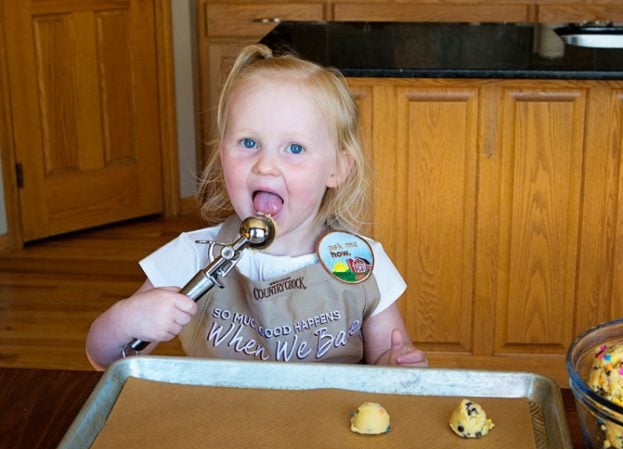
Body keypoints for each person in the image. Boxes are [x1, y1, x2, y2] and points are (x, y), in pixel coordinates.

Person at [85, 44, 427, 371]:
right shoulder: (191, 256)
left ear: (337, 168)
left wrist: (395, 363)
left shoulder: (361, 262)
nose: (265, 166)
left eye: (294, 149)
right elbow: (104, 359)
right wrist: (124, 320)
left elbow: (386, 361)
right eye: (248, 143)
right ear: (222, 155)